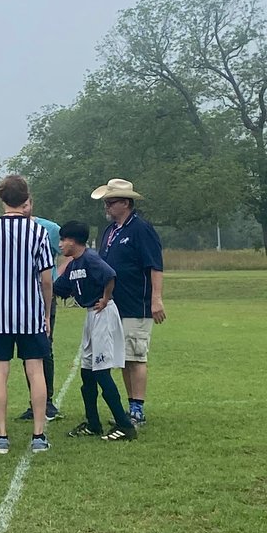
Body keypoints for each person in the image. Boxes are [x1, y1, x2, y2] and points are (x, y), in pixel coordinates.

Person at [0, 174, 53, 455]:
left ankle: (1, 436)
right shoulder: (38, 232)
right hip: (30, 311)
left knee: (0, 370)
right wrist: (45, 311)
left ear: (1, 198)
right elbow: (45, 278)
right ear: (26, 198)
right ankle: (39, 435)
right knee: (36, 370)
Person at [91, 178, 166, 425]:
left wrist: (156, 299)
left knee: (136, 356)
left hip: (137, 304)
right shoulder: (111, 231)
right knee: (123, 357)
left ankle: (137, 408)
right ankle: (129, 405)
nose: (107, 208)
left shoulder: (140, 229)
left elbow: (155, 265)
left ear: (125, 202)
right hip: (115, 304)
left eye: (111, 203)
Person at [54, 221, 136, 441]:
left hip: (103, 314)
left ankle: (125, 426)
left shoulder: (90, 259)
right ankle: (93, 423)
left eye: (63, 240)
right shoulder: (73, 265)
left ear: (72, 241)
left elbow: (110, 275)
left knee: (101, 371)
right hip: (91, 316)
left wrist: (106, 298)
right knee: (87, 372)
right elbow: (57, 287)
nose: (60, 244)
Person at [17, 199, 62, 423]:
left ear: (32, 204)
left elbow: (70, 250)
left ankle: (48, 402)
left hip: (44, 295)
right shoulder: (8, 229)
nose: (23, 209)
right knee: (26, 352)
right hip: (20, 297)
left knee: (44, 347)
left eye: (27, 204)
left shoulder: (50, 229)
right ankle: (35, 402)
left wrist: (57, 277)